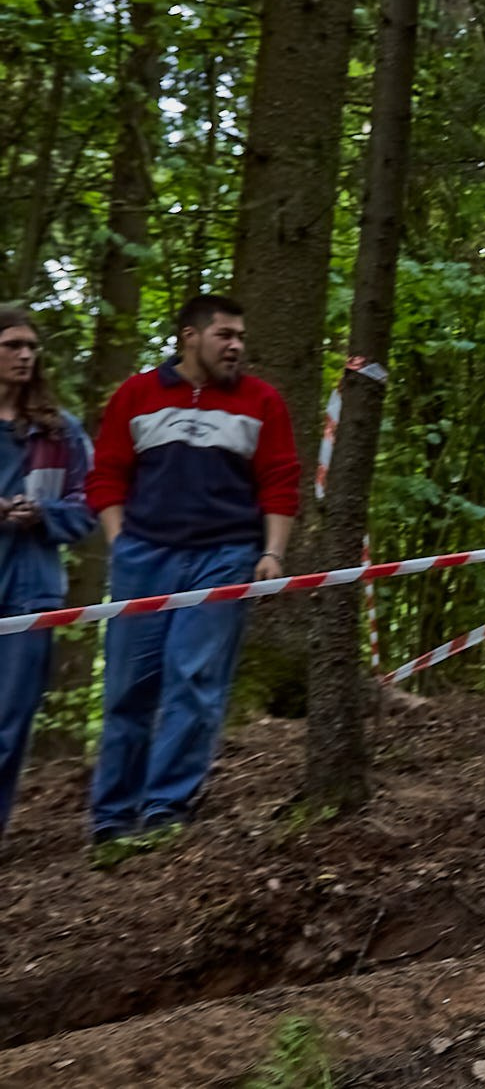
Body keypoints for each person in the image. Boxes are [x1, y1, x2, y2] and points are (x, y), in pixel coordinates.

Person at [84, 294, 299, 866]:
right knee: (129, 689)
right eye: (225, 334)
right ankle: (111, 819)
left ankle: (165, 811)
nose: (236, 346)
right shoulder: (136, 394)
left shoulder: (261, 401)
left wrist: (272, 554)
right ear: (190, 336)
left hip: (223, 557)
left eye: (241, 337)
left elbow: (280, 480)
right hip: (144, 557)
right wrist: (120, 540)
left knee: (194, 681)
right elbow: (106, 472)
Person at [0, 308, 95, 841]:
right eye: (12, 345)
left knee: (9, 723)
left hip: (31, 587)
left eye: (31, 346)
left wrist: (44, 515)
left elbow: (90, 503)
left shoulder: (60, 430)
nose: (25, 355)